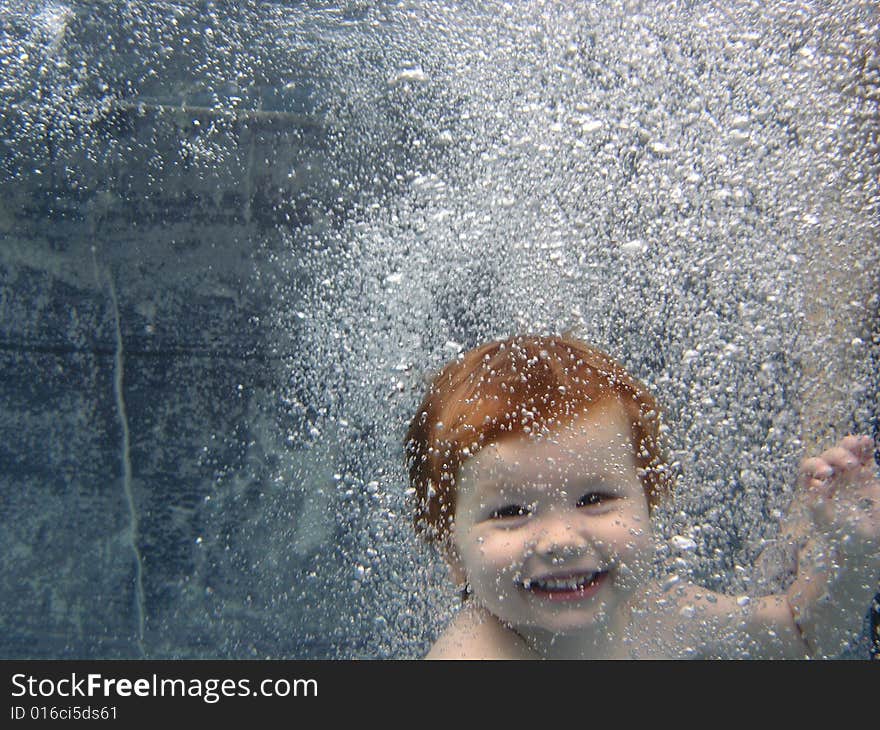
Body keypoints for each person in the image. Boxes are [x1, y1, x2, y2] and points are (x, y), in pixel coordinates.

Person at [404, 333, 880, 658]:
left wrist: (854, 553)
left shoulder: (656, 614)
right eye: (509, 512)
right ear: (453, 553)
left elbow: (803, 635)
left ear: (650, 501)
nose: (561, 539)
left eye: (594, 499)